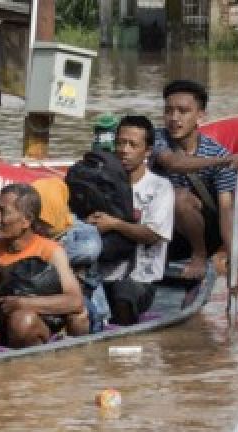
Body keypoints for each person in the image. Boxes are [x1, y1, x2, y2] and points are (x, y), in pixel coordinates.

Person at [152, 79, 238, 279]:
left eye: (183, 111)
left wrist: (234, 261)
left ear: (200, 115)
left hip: (202, 235)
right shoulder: (156, 139)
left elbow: (225, 210)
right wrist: (220, 162)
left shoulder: (216, 152)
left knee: (179, 197)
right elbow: (172, 163)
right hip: (159, 229)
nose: (174, 118)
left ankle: (199, 255)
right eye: (169, 111)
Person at [86, 115, 174, 326]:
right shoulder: (99, 182)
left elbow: (153, 234)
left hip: (140, 279)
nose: (124, 150)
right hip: (100, 274)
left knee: (123, 293)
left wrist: (114, 224)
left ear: (148, 151)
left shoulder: (159, 187)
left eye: (133, 145)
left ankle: (122, 340)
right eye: (120, 143)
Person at [0, 183, 88, 348]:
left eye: (3, 212)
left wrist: (24, 304)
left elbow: (75, 301)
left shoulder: (50, 251)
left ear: (27, 220)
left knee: (24, 320)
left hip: (37, 325)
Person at [31, 176, 108, 331]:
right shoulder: (30, 232)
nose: (37, 225)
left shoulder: (81, 230)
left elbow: (89, 250)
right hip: (44, 298)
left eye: (42, 219)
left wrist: (50, 252)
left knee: (77, 312)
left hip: (86, 301)